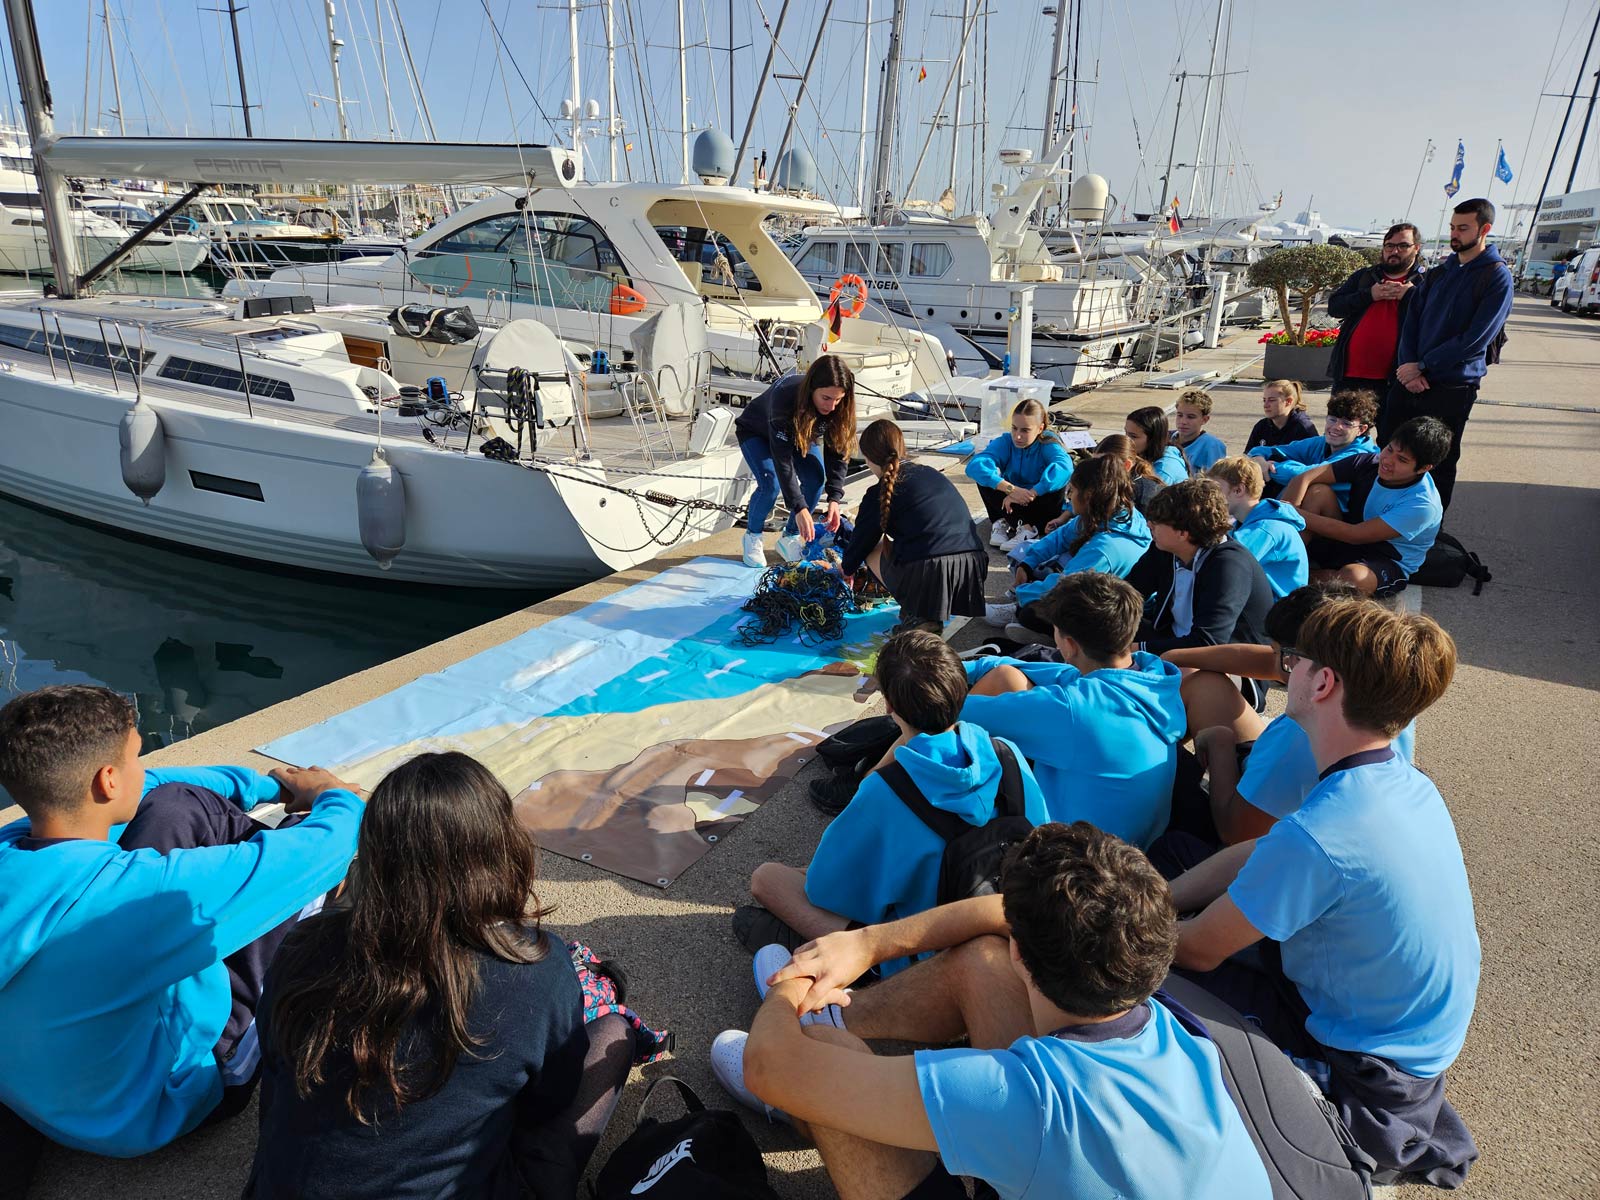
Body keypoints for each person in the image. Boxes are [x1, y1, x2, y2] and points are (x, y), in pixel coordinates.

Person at [715, 823, 1272, 1200]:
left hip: (1027, 1123)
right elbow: (997, 916)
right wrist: (867, 946)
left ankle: (807, 1057)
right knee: (980, 963)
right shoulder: (1174, 1028)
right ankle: (831, 1017)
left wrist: (791, 985)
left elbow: (771, 1066)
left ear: (1021, 948)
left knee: (816, 1055)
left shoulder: (1018, 1095)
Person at [1164, 600, 1480, 1187]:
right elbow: (1268, 848)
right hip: (1412, 1048)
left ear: (1323, 682)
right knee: (1183, 871)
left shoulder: (1324, 833)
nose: (1287, 667)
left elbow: (1195, 949)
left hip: (1365, 1074)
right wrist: (1166, 891)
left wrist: (1129, 917)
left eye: (1297, 659)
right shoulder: (1401, 783)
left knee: (1121, 976)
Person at [246, 752, 654, 1200]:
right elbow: (550, 1101)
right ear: (503, 849)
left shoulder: (306, 941)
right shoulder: (537, 970)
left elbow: (275, 1056)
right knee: (613, 1033)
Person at [0, 685, 363, 1176]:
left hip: (38, 1101)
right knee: (307, 891)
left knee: (176, 804)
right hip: (155, 1109)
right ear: (108, 780)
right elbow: (329, 846)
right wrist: (329, 795)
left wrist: (253, 785)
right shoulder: (142, 895)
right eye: (135, 758)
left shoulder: (12, 847)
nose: (141, 769)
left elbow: (157, 786)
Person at [738, 631, 1048, 965]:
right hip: (1008, 915)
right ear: (961, 692)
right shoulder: (1006, 752)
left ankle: (869, 968)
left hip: (925, 949)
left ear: (888, 705)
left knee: (768, 879)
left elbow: (825, 891)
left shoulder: (886, 792)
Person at [963, 572, 1184, 848]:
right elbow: (1051, 673)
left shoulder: (1073, 709)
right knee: (1008, 675)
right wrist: (963, 667)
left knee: (950, 736)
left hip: (1066, 859)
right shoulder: (1148, 676)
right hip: (1129, 851)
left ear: (1069, 644)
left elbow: (951, 711)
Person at [1385, 197, 1515, 509]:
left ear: (1484, 229)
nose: (1454, 234)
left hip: (1451, 388)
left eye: (1463, 228)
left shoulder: (1496, 276)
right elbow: (1411, 322)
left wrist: (1424, 366)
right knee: (1389, 452)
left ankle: (1428, 536)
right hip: (1408, 382)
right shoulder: (1439, 273)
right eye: (1452, 227)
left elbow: (1475, 339)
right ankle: (1382, 520)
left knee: (1437, 464)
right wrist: (1408, 365)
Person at [841, 419, 988, 632]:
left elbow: (861, 542)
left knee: (874, 549)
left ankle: (921, 616)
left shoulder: (877, 493)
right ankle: (921, 611)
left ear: (869, 458)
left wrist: (846, 569)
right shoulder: (931, 472)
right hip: (971, 567)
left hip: (932, 570)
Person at [1279, 415, 1447, 597]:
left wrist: (1290, 511)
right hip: (1347, 538)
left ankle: (1292, 576)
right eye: (1389, 449)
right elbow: (1304, 478)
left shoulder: (1422, 504)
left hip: (1385, 559)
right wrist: (1284, 518)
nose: (1388, 460)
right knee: (1318, 491)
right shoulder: (1370, 462)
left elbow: (1355, 535)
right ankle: (1281, 559)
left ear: (1424, 468)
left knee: (1353, 579)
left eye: (1402, 460)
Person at [985, 455, 1151, 637]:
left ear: (1087, 496)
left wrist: (1022, 593)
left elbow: (1065, 587)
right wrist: (1027, 563)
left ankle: (1050, 637)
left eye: (1071, 491)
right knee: (1028, 555)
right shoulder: (1114, 512)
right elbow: (1059, 538)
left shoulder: (1104, 550)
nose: (1069, 497)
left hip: (1115, 615)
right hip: (1096, 591)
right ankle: (1032, 621)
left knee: (1031, 613)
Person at [733, 356, 857, 566]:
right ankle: (753, 536)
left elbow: (838, 451)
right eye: (826, 398)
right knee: (770, 483)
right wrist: (800, 507)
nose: (832, 406)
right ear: (812, 389)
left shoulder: (838, 407)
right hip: (757, 432)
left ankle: (789, 536)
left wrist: (835, 498)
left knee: (816, 479)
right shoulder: (785, 396)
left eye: (838, 399)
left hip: (801, 432)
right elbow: (783, 461)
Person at [1138, 478, 1275, 655]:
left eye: (1156, 522)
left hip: (1228, 664)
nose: (1149, 525)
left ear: (1182, 533)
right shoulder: (1166, 549)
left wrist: (1137, 650)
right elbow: (1129, 593)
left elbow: (1209, 641)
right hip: (1175, 641)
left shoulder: (1229, 565)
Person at [1326, 222, 1425, 404]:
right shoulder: (1365, 276)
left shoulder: (1425, 282)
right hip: (1349, 377)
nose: (1394, 251)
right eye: (1389, 245)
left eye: (1403, 246)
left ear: (1416, 248)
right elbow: (1335, 307)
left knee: (1391, 433)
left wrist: (1412, 296)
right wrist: (1369, 294)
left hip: (1395, 380)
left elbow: (1438, 321)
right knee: (1342, 431)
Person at [964, 398, 1074, 551]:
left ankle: (1027, 529)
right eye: (1014, 428)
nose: (1018, 436)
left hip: (1040, 504)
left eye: (1025, 430)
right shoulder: (1006, 441)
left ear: (1040, 428)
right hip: (1013, 501)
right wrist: (1011, 489)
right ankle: (1004, 522)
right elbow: (975, 465)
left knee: (1058, 481)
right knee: (984, 478)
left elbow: (1065, 468)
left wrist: (1034, 492)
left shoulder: (1048, 443)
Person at [1247, 387, 1379, 502]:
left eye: (1346, 423)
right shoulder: (1321, 442)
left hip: (1345, 520)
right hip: (1319, 516)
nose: (1336, 427)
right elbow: (1265, 450)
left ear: (1361, 429)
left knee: (1316, 491)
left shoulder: (1360, 455)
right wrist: (1259, 459)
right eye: (1332, 419)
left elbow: (1304, 475)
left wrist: (1271, 466)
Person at [1207, 456, 1309, 599]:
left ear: (1238, 490)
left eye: (1216, 490)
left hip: (1277, 613)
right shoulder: (1243, 524)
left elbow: (1222, 563)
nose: (1210, 497)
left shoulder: (1266, 529)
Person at [1094, 432, 1164, 512]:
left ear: (1127, 465)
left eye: (1103, 464)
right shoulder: (1112, 482)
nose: (1096, 469)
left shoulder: (1143, 495)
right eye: (1093, 462)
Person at [1243, 380, 1317, 453]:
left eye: (1272, 400)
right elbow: (1248, 457)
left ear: (1288, 401)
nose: (1265, 405)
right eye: (1264, 400)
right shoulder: (1261, 426)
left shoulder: (1304, 428)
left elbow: (1317, 460)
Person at [1125, 405, 1189, 485]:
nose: (1126, 439)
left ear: (1153, 438)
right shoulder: (1145, 454)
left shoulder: (1164, 470)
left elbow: (1150, 496)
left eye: (1133, 436)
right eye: (1126, 433)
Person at [1172, 390, 1228, 475]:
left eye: (1191, 417)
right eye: (1179, 415)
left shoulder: (1212, 446)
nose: (1183, 421)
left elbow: (1216, 482)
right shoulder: (1165, 438)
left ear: (1204, 419)